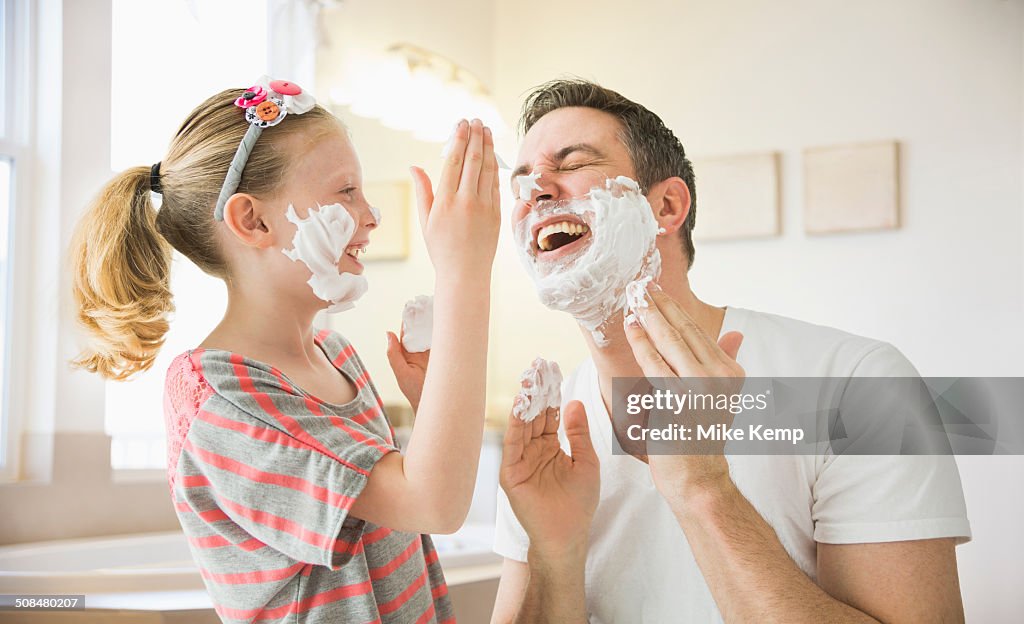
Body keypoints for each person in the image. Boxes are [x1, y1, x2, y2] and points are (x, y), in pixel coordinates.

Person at [491, 79, 970, 623]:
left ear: (666, 206)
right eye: (522, 182)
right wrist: (555, 555)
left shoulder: (857, 383)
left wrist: (703, 489)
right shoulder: (546, 431)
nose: (536, 190)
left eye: (572, 163)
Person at [70, 77, 500, 623]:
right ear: (252, 220)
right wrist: (465, 272)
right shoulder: (221, 401)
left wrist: (433, 399)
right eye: (346, 192)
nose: (370, 216)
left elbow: (399, 508)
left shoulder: (336, 355)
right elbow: (435, 504)